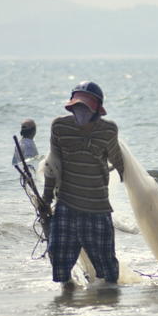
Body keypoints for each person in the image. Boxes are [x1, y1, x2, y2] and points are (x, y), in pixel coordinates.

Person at [42, 81, 124, 289]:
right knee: (60, 264)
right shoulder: (60, 126)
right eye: (76, 107)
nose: (80, 111)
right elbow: (53, 164)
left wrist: (130, 180)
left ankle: (107, 306)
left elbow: (118, 160)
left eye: (85, 107)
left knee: (108, 270)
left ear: (97, 109)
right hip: (66, 206)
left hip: (97, 207)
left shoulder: (108, 130)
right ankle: (67, 306)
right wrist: (46, 198)